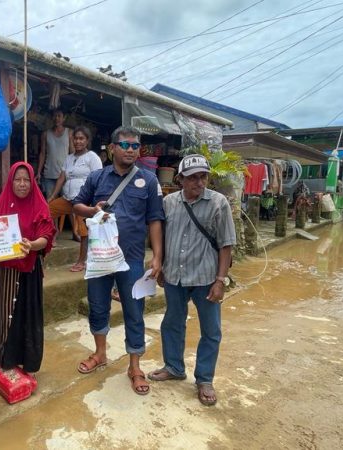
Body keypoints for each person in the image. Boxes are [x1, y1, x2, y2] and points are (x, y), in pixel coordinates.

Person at [72, 126, 164, 396]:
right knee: (98, 307)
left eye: (136, 146)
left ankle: (135, 366)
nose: (131, 150)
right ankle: (100, 353)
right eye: (125, 145)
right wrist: (92, 210)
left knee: (134, 312)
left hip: (133, 259)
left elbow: (155, 220)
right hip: (100, 258)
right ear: (112, 148)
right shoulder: (96, 177)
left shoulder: (148, 180)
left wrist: (157, 256)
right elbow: (76, 204)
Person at [148, 154, 236, 407]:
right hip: (175, 275)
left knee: (211, 330)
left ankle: (204, 379)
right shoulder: (169, 203)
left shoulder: (219, 203)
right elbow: (162, 236)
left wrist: (221, 280)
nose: (200, 182)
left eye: (203, 176)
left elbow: (226, 245)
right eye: (193, 177)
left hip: (206, 278)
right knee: (172, 323)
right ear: (180, 180)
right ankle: (174, 367)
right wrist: (161, 265)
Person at [0, 162, 56, 375]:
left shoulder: (40, 205)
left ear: (33, 181)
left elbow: (46, 236)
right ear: (10, 181)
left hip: (29, 269)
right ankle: (2, 359)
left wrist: (32, 245)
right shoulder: (1, 205)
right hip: (6, 270)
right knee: (3, 312)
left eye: (27, 179)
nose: (22, 184)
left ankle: (26, 361)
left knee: (26, 314)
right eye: (17, 179)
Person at [47, 126, 102, 272]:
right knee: (46, 212)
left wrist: (94, 202)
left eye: (81, 138)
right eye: (76, 138)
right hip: (68, 199)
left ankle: (81, 261)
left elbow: (98, 180)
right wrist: (52, 196)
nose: (78, 141)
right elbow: (61, 178)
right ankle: (46, 243)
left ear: (87, 140)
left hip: (84, 202)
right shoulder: (69, 158)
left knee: (84, 231)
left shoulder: (92, 157)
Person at [37, 109, 73, 196]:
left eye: (59, 116)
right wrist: (38, 172)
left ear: (64, 118)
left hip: (64, 175)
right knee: (50, 204)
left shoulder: (69, 132)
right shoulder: (45, 134)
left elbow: (73, 153)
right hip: (49, 175)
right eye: (54, 116)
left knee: (65, 203)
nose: (56, 118)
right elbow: (42, 154)